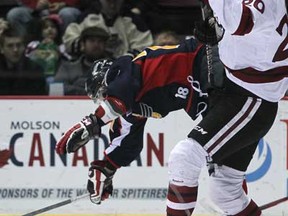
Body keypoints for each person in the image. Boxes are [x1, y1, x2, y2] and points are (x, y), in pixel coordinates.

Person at [55, 37, 224, 204]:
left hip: (206, 58)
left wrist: (92, 122)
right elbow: (126, 141)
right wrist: (106, 168)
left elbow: (120, 93)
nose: (104, 99)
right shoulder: (131, 106)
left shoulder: (124, 67)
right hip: (202, 95)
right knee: (224, 164)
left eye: (101, 93)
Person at [164, 0, 288, 216]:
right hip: (240, 90)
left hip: (251, 101)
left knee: (184, 157)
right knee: (225, 191)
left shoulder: (269, 4)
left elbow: (238, 20)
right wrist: (217, 29)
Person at [63, 0, 153, 59]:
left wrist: (125, 58)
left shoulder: (134, 21)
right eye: (109, 1)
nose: (113, 5)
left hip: (124, 70)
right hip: (88, 66)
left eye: (116, 1)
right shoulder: (87, 17)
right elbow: (69, 38)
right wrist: (85, 47)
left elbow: (144, 47)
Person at [53, 26, 111, 95]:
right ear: (83, 44)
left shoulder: (114, 67)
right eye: (92, 41)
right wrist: (84, 91)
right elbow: (55, 90)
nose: (96, 45)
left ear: (105, 45)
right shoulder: (68, 67)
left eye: (100, 41)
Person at [0, 25, 47, 95]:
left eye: (18, 45)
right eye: (10, 46)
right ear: (1, 49)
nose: (15, 50)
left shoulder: (36, 69)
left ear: (24, 47)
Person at [6, 0, 81, 37]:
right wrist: (35, 5)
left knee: (67, 13)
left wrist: (63, 4)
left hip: (64, 8)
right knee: (14, 14)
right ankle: (26, 48)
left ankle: (67, 48)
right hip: (35, 10)